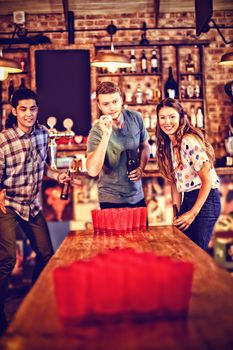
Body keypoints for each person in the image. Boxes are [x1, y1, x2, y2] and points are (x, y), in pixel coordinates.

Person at [0, 88, 77, 335]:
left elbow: (42, 167)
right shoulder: (3, 140)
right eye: (23, 109)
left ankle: (32, 302)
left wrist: (58, 175)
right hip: (7, 204)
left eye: (33, 108)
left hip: (30, 205)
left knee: (46, 254)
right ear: (14, 111)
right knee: (7, 260)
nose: (29, 114)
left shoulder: (43, 134)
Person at [155, 98, 221, 250]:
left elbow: (207, 180)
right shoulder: (170, 144)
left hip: (206, 200)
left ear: (181, 117)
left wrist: (193, 213)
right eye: (162, 117)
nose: (167, 122)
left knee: (197, 253)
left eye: (172, 116)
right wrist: (176, 213)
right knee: (184, 250)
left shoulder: (188, 141)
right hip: (189, 198)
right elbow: (174, 183)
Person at [86, 81, 149, 209]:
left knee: (142, 230)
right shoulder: (96, 131)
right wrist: (106, 134)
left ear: (121, 99)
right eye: (106, 104)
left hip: (137, 196)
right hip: (110, 199)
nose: (112, 107)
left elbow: (145, 146)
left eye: (115, 101)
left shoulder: (136, 118)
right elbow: (92, 171)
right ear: (99, 105)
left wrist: (141, 167)